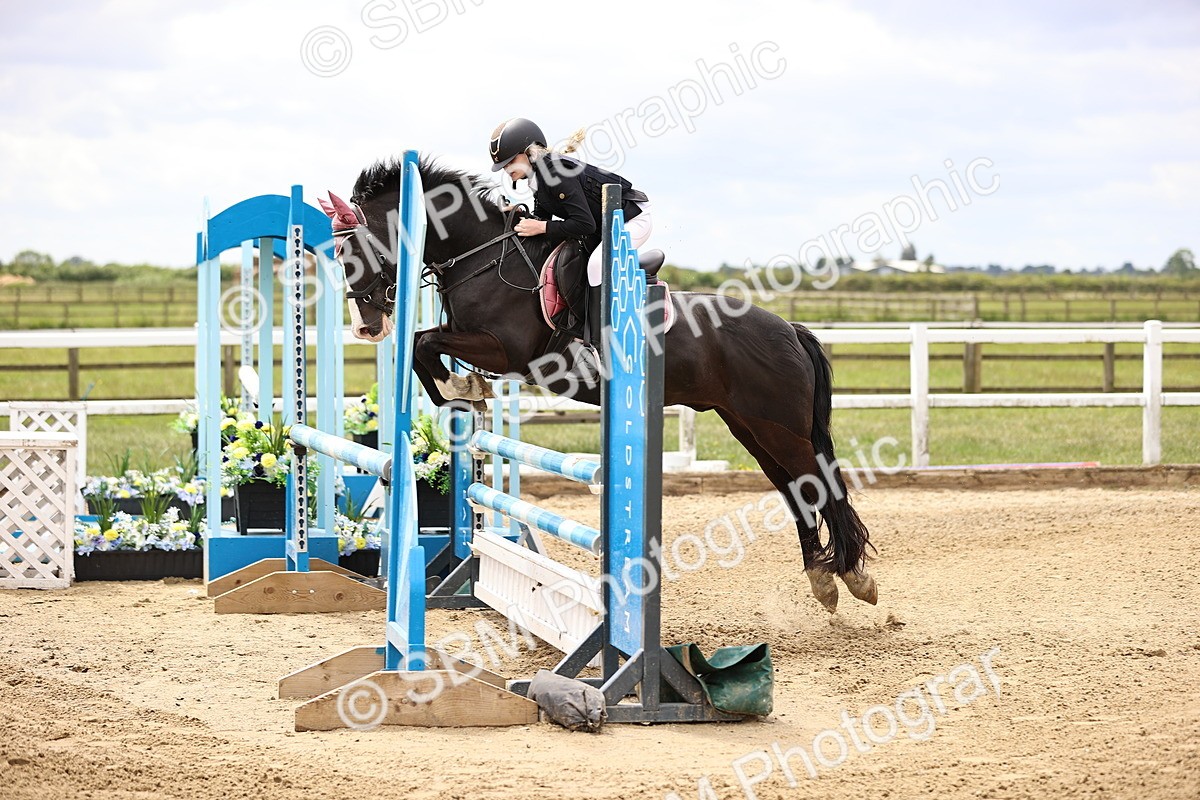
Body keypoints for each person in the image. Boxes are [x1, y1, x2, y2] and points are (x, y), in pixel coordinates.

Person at [489, 118, 651, 341]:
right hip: (603, 225)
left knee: (595, 265)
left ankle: (597, 341)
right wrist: (517, 216)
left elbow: (584, 224)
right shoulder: (539, 178)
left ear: (528, 153)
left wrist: (541, 226)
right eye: (504, 165)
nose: (507, 168)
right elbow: (542, 220)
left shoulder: (556, 173)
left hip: (631, 219)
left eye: (510, 161)